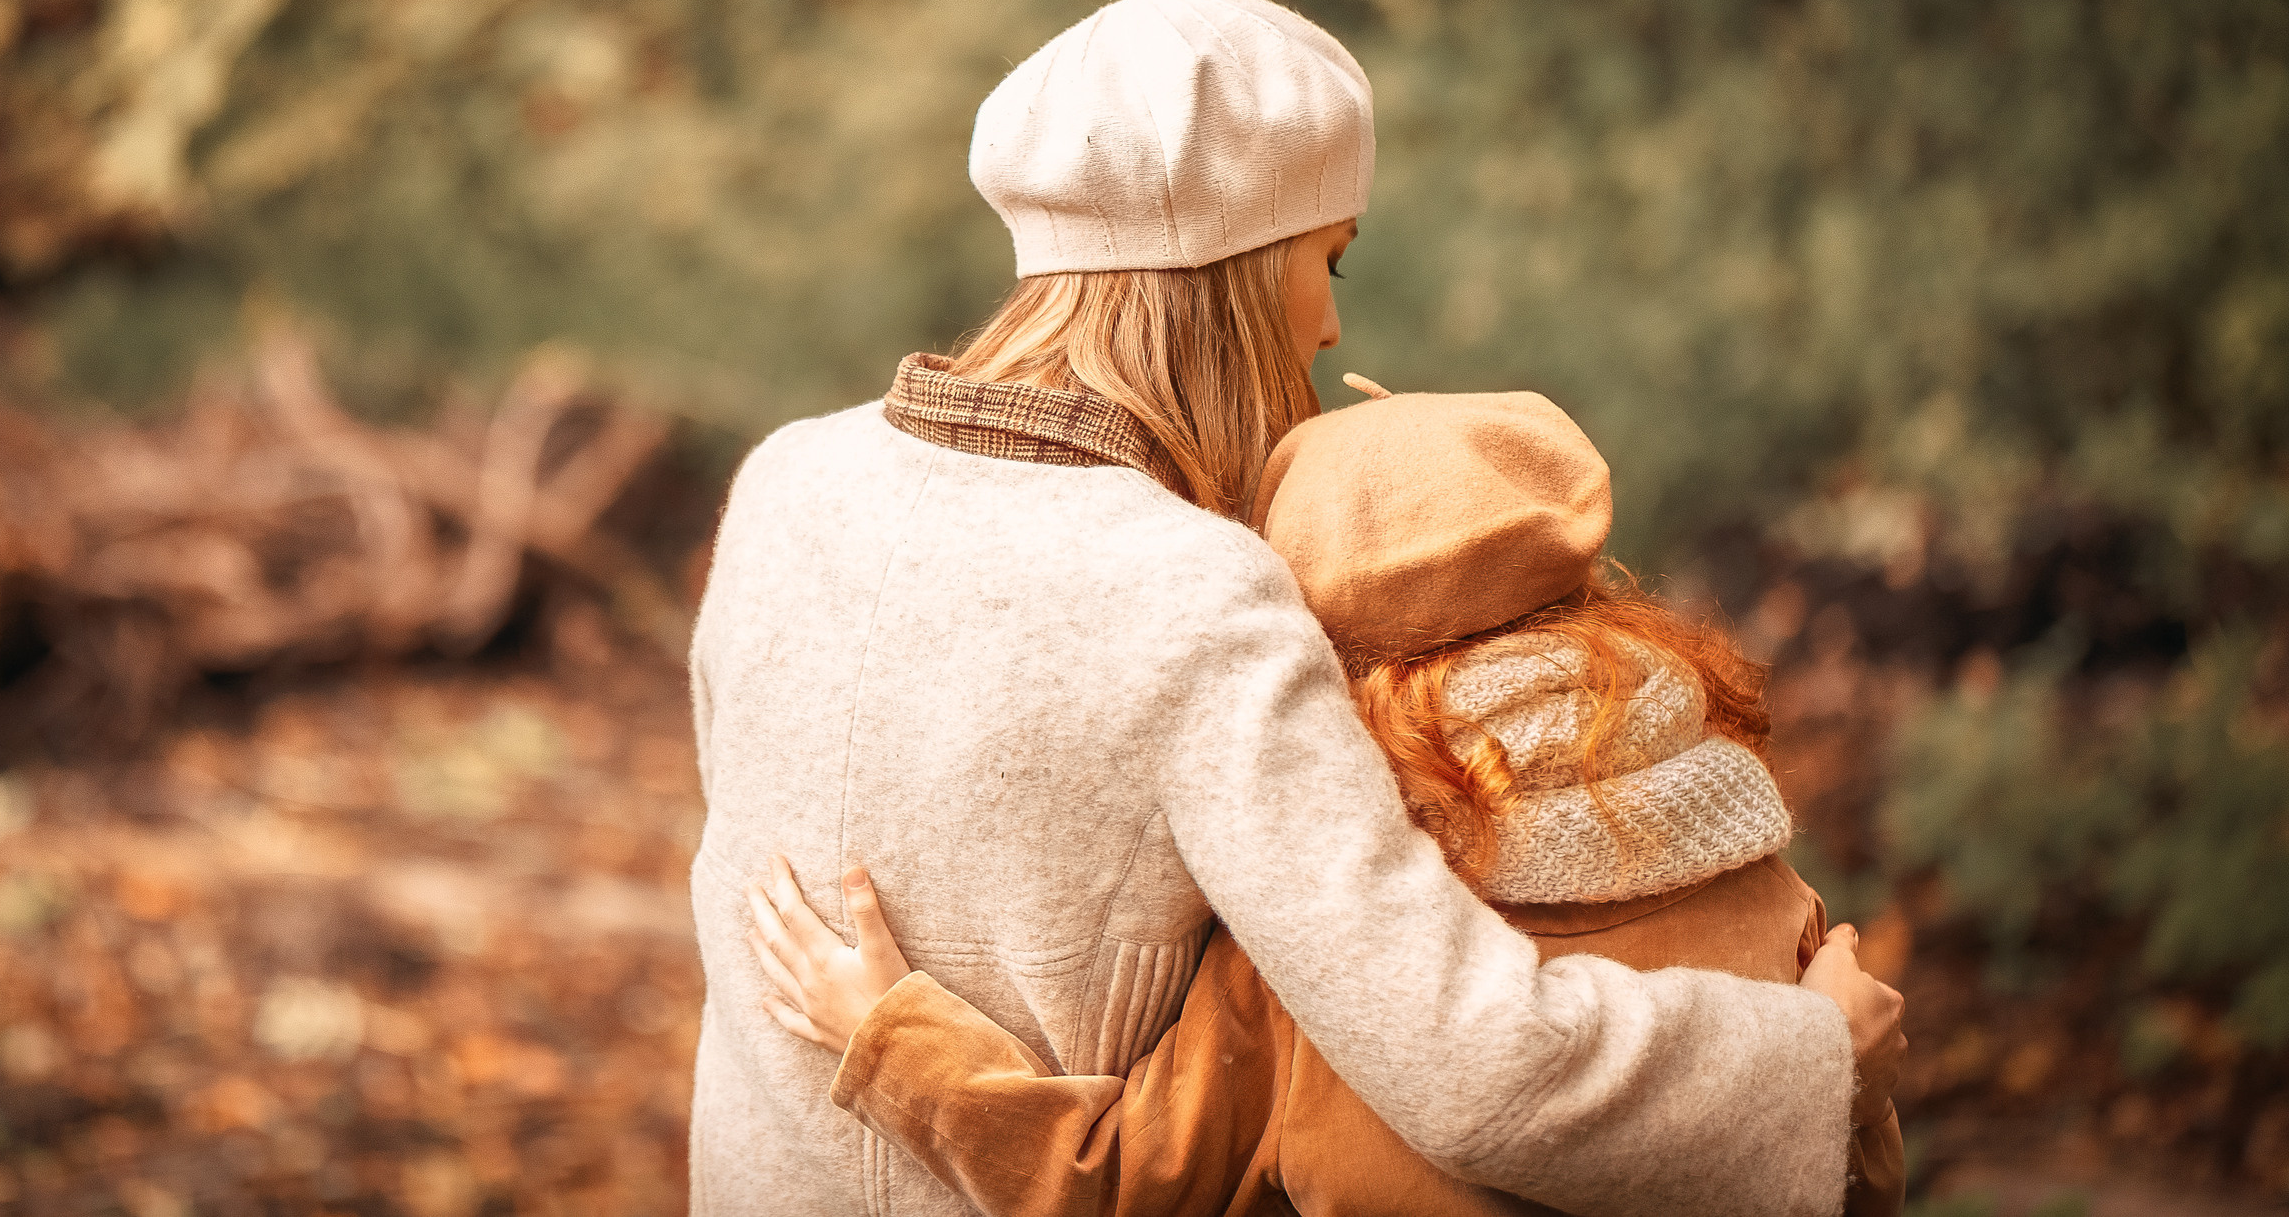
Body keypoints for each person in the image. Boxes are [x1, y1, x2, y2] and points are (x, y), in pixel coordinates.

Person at [688, 0, 1903, 1216]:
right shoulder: (1198, 597)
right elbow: (1470, 1063)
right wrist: (1811, 1055)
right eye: (1329, 256)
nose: (1328, 326)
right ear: (1245, 266)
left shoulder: (787, 480)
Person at [749, 389, 1908, 1215]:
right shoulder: (1755, 874)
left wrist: (895, 1037)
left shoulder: (1331, 936)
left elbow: (1110, 1181)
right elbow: (1843, 1180)